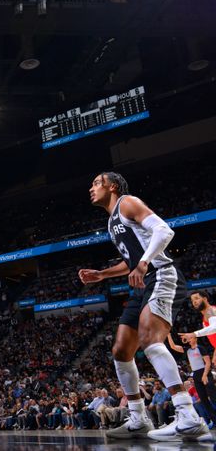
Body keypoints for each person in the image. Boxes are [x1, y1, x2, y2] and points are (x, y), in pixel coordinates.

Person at [79, 172, 211, 441]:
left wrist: (144, 262)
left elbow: (164, 230)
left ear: (112, 186)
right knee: (121, 350)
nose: (91, 188)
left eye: (96, 183)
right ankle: (138, 418)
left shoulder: (127, 202)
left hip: (161, 273)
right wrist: (103, 274)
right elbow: (131, 261)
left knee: (151, 339)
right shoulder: (110, 220)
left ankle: (187, 415)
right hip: (140, 284)